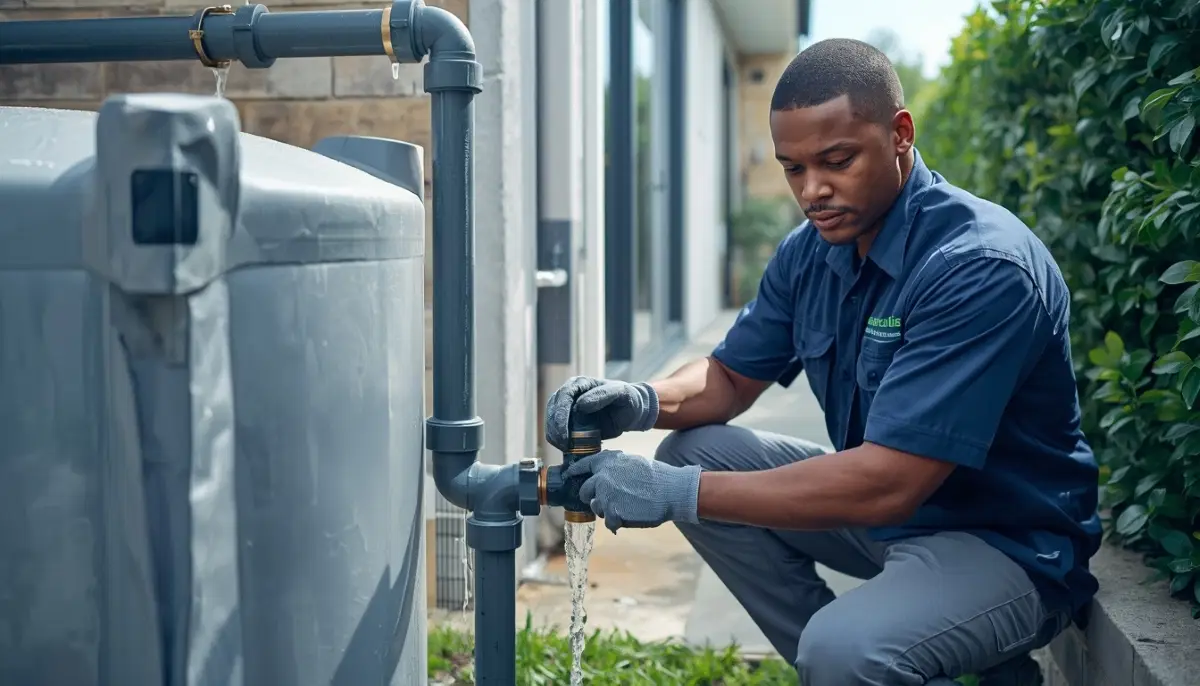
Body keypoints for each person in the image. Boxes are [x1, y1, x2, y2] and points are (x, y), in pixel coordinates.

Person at [544, 38, 1101, 686]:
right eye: (793, 169)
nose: (814, 191)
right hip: (890, 522)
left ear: (899, 134)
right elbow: (727, 379)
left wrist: (678, 498)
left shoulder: (980, 268)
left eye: (837, 161)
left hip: (1006, 543)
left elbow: (891, 480)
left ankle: (864, 657)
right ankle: (879, 660)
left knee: (843, 649)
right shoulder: (813, 252)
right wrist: (642, 400)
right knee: (693, 453)